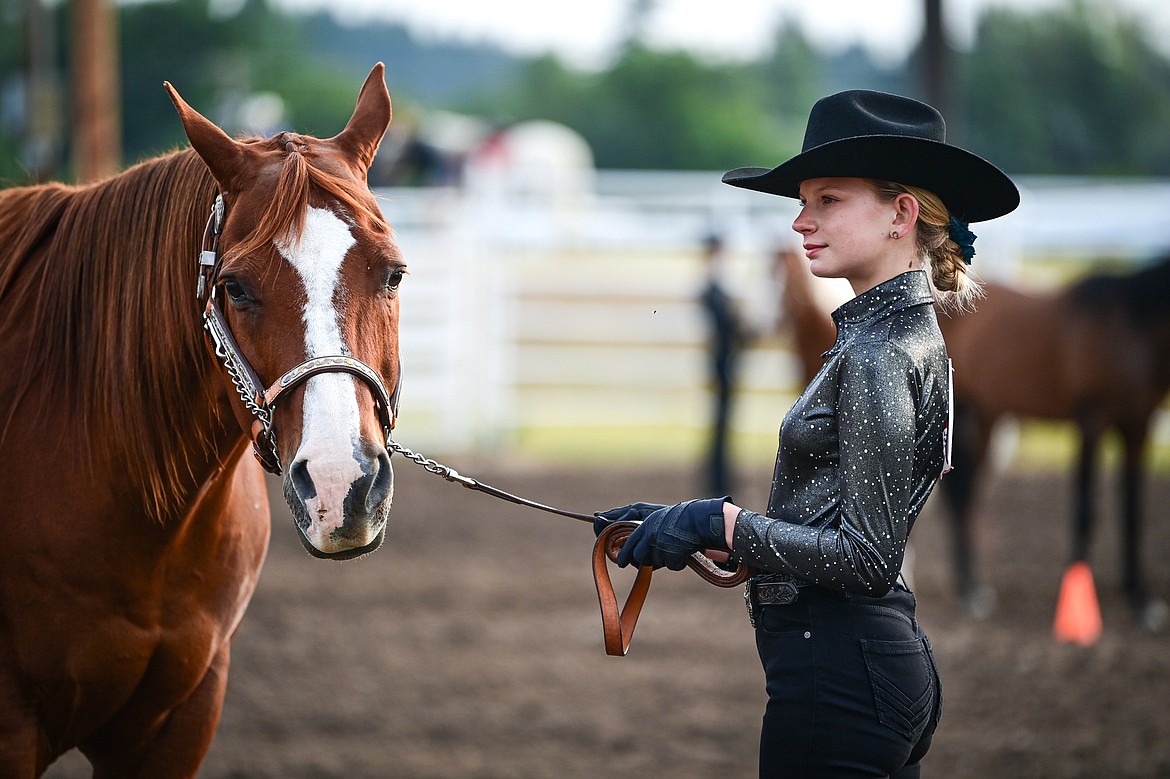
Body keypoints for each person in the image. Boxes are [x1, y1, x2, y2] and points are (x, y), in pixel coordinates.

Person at [595, 90, 1019, 778]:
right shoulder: (891, 334)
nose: (800, 220)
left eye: (828, 200)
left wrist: (723, 520)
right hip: (864, 668)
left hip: (840, 680)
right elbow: (835, 523)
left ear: (900, 214)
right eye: (803, 200)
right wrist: (694, 525)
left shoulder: (878, 353)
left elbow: (867, 557)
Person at [697, 233, 748, 495]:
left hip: (725, 365)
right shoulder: (714, 291)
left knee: (721, 426)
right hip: (724, 366)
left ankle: (719, 481)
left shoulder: (716, 290)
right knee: (720, 426)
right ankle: (717, 483)